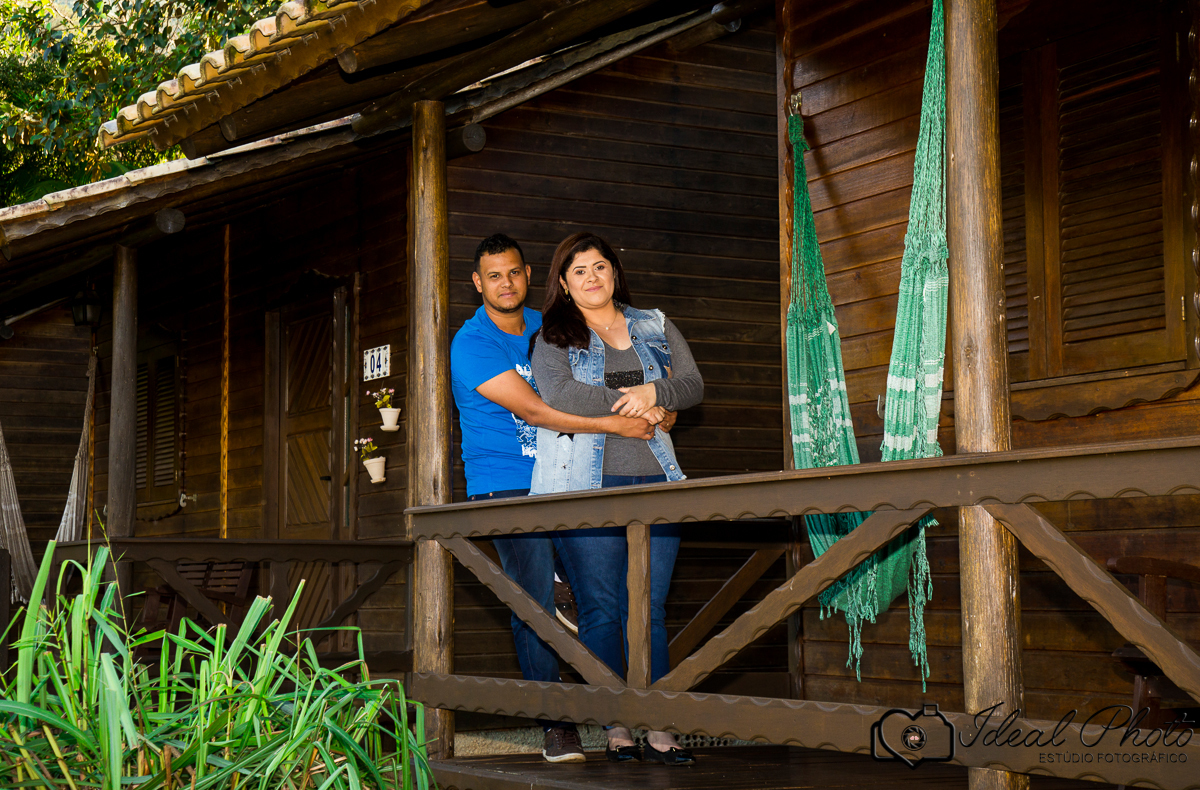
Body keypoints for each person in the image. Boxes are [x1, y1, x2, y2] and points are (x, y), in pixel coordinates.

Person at [449, 233, 674, 764]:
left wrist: (654, 405)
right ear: (478, 283)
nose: (506, 284)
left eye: (514, 273)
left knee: (602, 600)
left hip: (570, 476)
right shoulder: (472, 342)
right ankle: (557, 724)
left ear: (529, 274)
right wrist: (618, 426)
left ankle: (625, 713)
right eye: (493, 276)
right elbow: (536, 412)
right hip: (507, 484)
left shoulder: (552, 326)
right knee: (534, 603)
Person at [529, 232, 703, 766]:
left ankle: (659, 724)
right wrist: (637, 404)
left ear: (614, 272)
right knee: (602, 609)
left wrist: (659, 394)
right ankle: (618, 723)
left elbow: (692, 384)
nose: (591, 278)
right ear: (563, 282)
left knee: (648, 608)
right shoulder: (554, 336)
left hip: (657, 482)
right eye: (578, 271)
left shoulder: (652, 322)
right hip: (589, 487)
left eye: (599, 267)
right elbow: (559, 393)